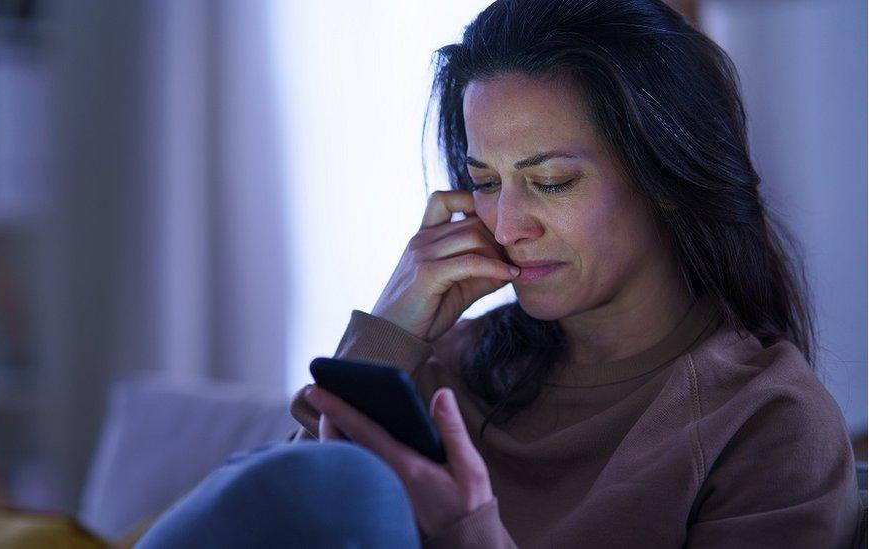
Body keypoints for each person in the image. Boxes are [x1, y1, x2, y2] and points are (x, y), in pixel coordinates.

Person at [138, 0, 864, 547]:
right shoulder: (455, 364)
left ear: (667, 178)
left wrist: (470, 532)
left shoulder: (768, 424)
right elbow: (280, 519)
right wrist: (391, 329)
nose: (506, 225)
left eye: (549, 181)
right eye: (484, 180)